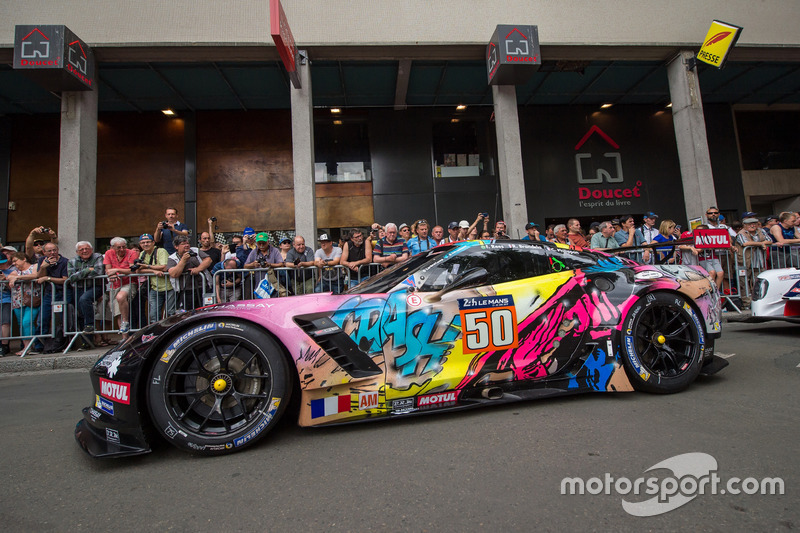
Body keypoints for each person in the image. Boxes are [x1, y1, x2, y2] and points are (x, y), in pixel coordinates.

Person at [35, 242, 68, 351]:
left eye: (55, 250)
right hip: (48, 294)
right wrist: (43, 267)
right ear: (44, 252)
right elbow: (39, 278)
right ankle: (39, 346)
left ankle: (62, 344)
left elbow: (65, 280)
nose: (53, 253)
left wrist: (48, 279)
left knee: (62, 320)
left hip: (63, 293)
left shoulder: (65, 262)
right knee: (42, 319)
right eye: (49, 251)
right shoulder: (42, 261)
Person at [103, 237, 139, 336]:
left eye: (124, 247)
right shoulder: (108, 253)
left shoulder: (131, 253)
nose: (122, 249)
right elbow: (108, 270)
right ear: (112, 247)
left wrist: (116, 270)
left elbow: (133, 270)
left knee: (120, 296)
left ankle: (126, 321)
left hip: (130, 283)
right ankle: (124, 338)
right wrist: (113, 273)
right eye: (119, 247)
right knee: (118, 310)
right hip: (115, 285)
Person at [66, 241, 105, 335]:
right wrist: (87, 270)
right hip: (79, 288)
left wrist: (79, 275)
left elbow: (99, 272)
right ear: (77, 252)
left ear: (91, 250)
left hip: (95, 286)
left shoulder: (98, 257)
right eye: (81, 249)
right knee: (80, 313)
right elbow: (71, 278)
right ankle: (86, 341)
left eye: (87, 249)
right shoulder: (72, 261)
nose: (84, 251)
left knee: (84, 299)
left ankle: (90, 325)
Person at [135, 233, 175, 323]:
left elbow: (164, 267)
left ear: (153, 242)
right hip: (155, 288)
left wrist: (147, 266)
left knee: (170, 313)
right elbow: (138, 270)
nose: (146, 244)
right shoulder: (142, 254)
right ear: (140, 244)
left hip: (169, 286)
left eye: (148, 242)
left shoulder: (161, 251)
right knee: (153, 315)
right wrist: (153, 271)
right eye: (143, 242)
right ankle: (157, 335)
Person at [7, 252, 41, 355]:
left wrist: (18, 278)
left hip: (32, 300)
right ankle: (26, 347)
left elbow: (35, 275)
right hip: (17, 301)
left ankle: (30, 346)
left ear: (24, 259)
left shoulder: (34, 266)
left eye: (15, 260)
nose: (14, 263)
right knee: (21, 324)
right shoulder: (15, 271)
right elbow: (9, 277)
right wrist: (12, 277)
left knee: (27, 322)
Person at [168, 235, 212, 311]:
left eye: (188, 243)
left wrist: (198, 269)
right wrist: (183, 261)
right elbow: (173, 273)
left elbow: (208, 260)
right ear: (176, 246)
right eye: (183, 244)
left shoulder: (195, 251)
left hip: (203, 287)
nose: (187, 245)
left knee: (207, 311)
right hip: (186, 291)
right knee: (189, 314)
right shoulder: (172, 258)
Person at [736, 217, 770, 308]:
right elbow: (745, 243)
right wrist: (762, 243)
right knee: (744, 282)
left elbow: (769, 240)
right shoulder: (741, 233)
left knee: (758, 281)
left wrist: (762, 243)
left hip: (759, 261)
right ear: (745, 226)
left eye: (754, 223)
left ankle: (758, 301)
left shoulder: (761, 231)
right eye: (750, 224)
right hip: (745, 262)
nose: (752, 225)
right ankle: (747, 302)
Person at [0, 247, 15, 355]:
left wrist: (5, 280)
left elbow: (13, 288)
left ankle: (5, 345)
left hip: (6, 299)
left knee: (5, 322)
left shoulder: (12, 272)